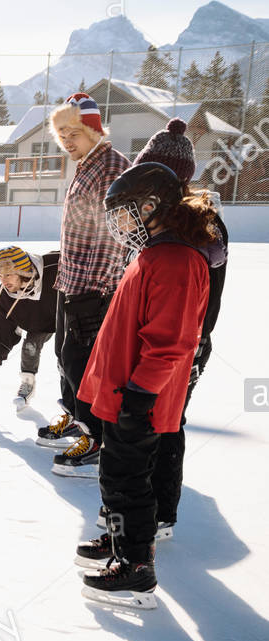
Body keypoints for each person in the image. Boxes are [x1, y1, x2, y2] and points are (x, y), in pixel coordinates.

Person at [74, 162, 223, 608]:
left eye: (126, 211)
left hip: (140, 395)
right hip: (125, 389)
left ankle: (135, 567)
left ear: (152, 206)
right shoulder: (155, 253)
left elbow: (172, 341)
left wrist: (140, 396)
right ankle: (121, 541)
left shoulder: (175, 259)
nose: (121, 224)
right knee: (118, 475)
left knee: (127, 479)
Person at [126, 119, 229, 539]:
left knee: (166, 422)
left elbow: (189, 294)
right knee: (150, 422)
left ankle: (161, 511)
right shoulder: (160, 222)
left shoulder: (196, 226)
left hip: (185, 343)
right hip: (160, 338)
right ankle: (140, 504)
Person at [41, 93, 131, 477]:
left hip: (93, 285)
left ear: (94, 129)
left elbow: (119, 233)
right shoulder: (87, 163)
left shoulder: (111, 167)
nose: (66, 140)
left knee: (83, 362)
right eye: (60, 134)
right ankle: (77, 421)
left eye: (72, 132)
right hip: (73, 279)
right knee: (65, 358)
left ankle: (96, 438)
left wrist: (98, 287)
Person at [0, 246, 59, 408]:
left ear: (23, 271)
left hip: (68, 316)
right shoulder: (5, 296)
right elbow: (0, 334)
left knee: (67, 357)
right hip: (40, 324)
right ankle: (28, 383)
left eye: (8, 274)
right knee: (30, 346)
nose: (3, 280)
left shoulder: (55, 268)